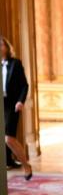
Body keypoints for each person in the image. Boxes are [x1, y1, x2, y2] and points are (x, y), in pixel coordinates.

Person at [2, 36, 32, 180]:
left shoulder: (15, 63)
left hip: (11, 105)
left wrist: (20, 101)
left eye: (1, 44)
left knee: (9, 139)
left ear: (7, 48)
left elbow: (24, 85)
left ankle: (26, 166)